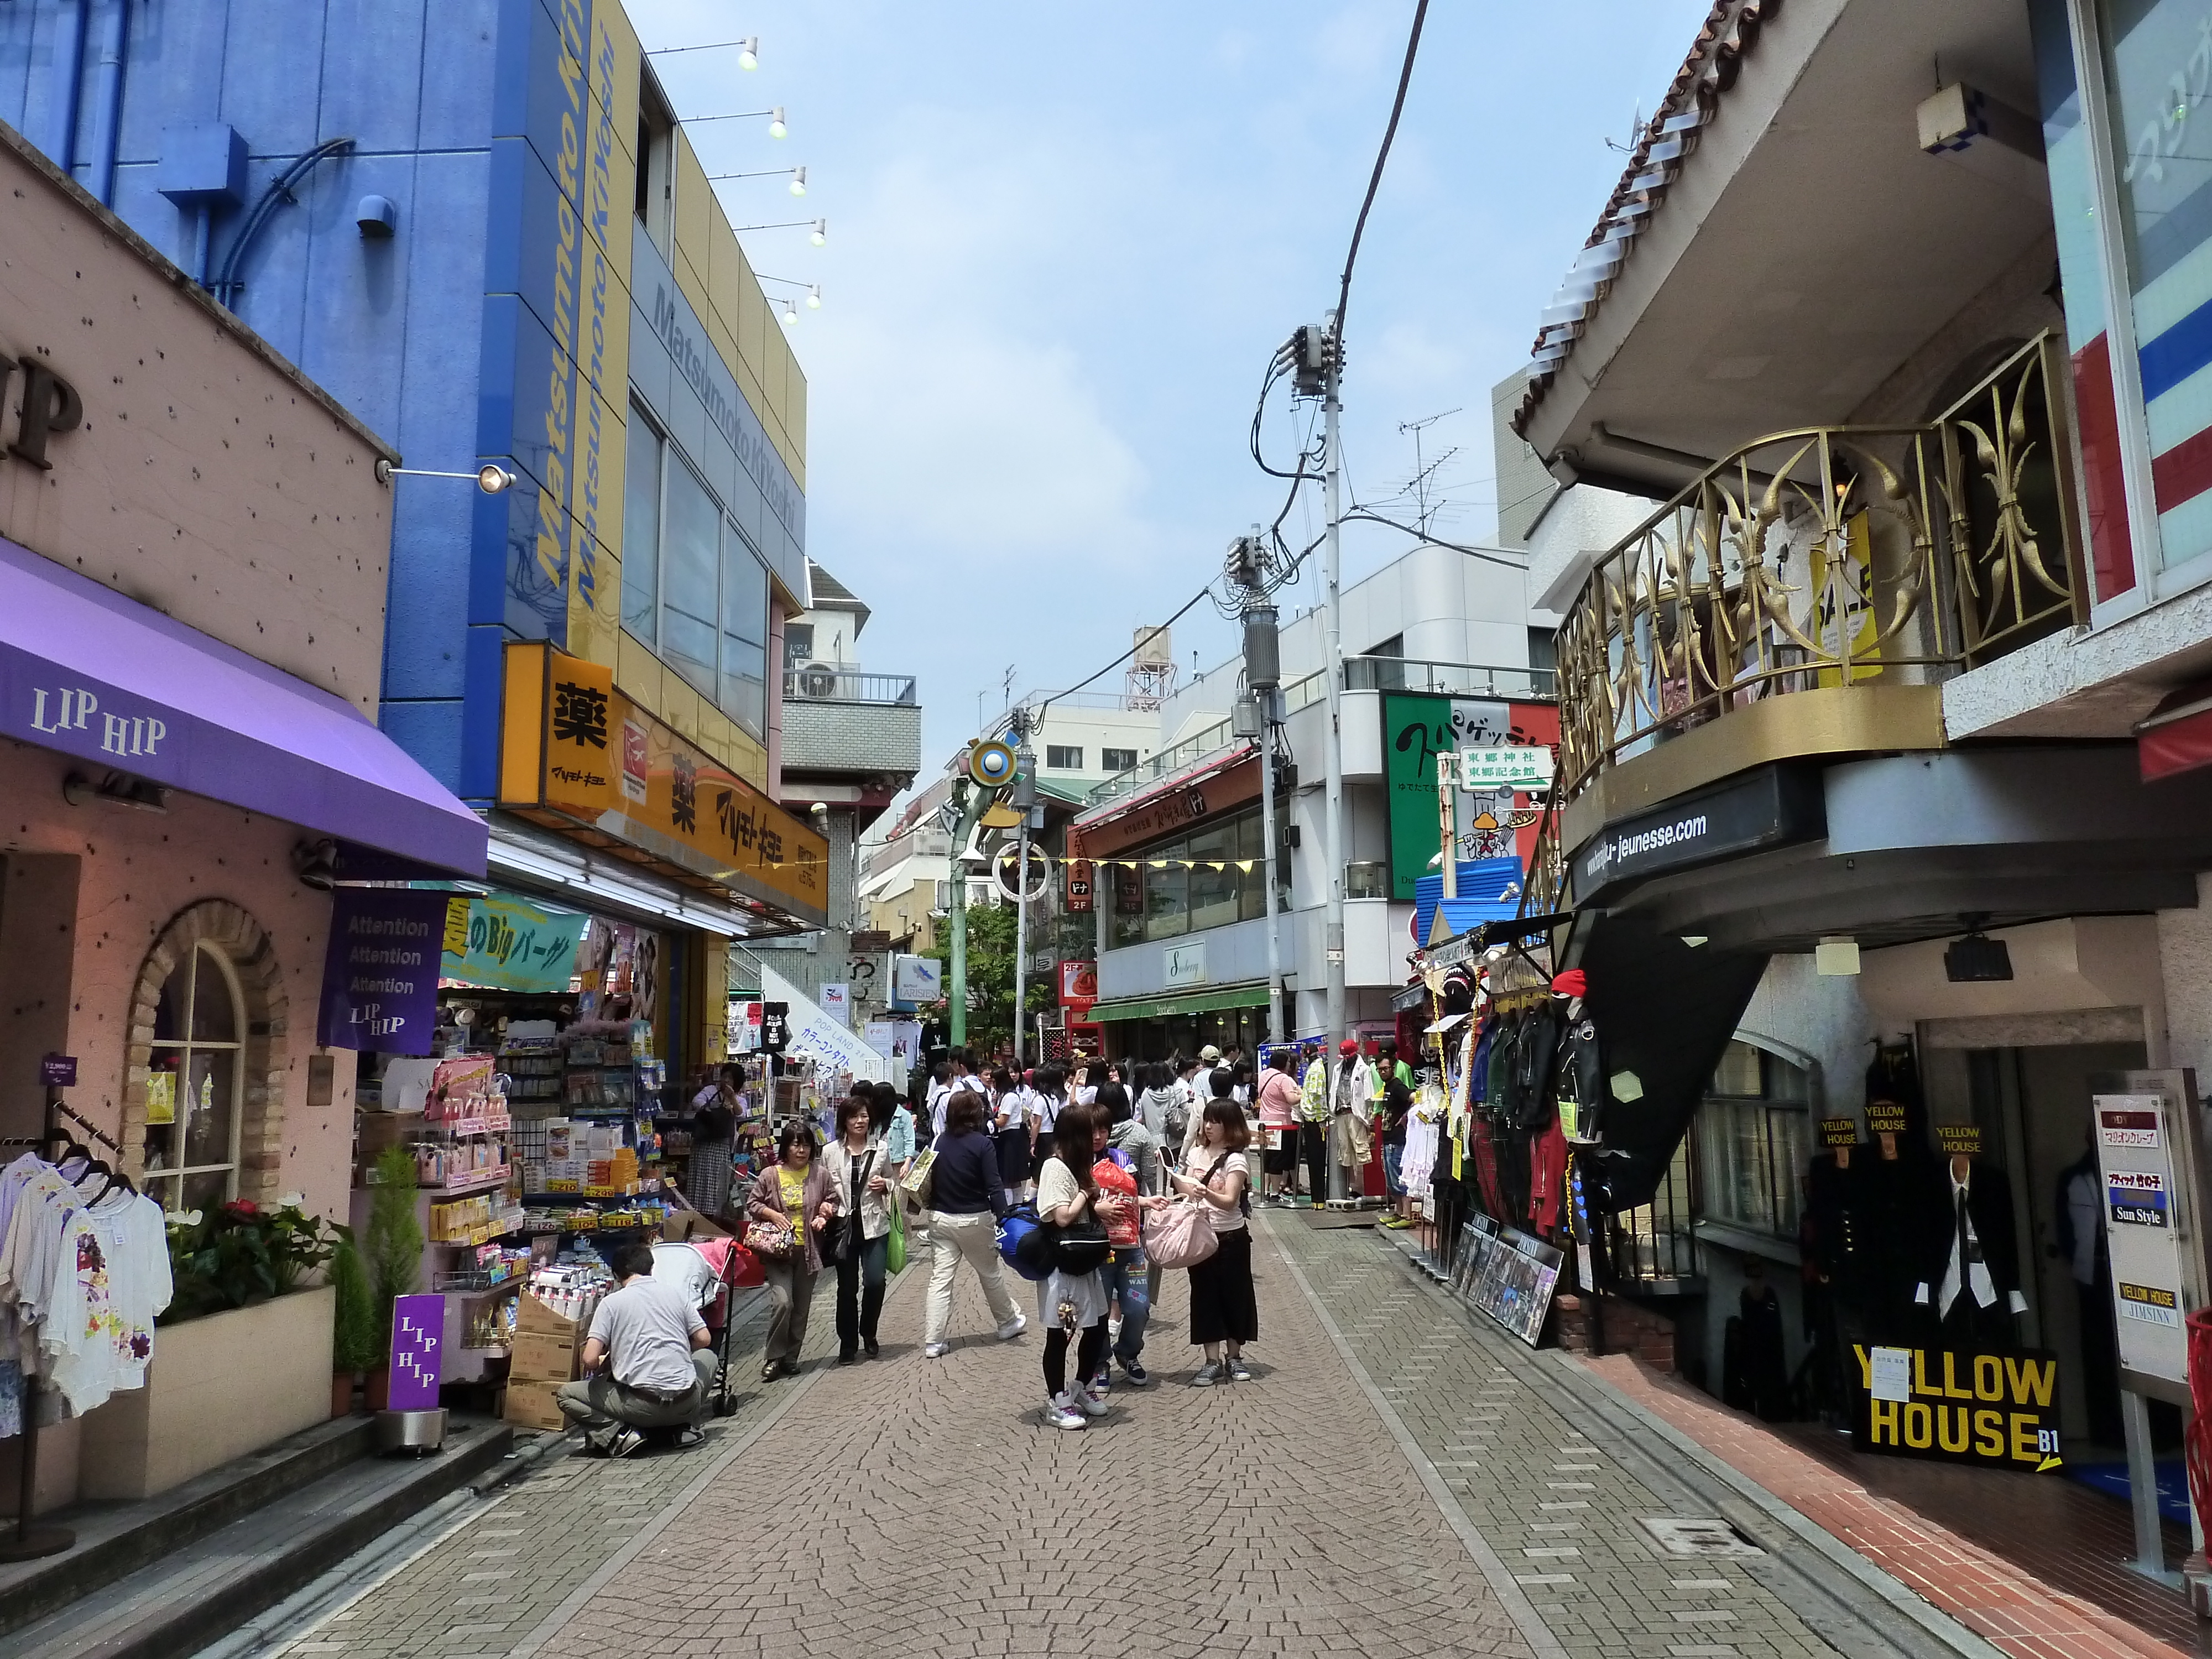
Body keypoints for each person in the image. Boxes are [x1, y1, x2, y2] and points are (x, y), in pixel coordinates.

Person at [557, 1240, 717, 1456]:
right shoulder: (675, 1294)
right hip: (686, 1402)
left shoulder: (611, 1304)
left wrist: (613, 1359)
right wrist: (678, 1351)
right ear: (651, 1269)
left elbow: (590, 1359)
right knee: (707, 1357)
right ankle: (684, 1427)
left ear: (616, 1276)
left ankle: (619, 1435)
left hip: (641, 1408)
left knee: (566, 1394)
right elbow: (704, 1339)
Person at [1035, 1103, 1128, 1430]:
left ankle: (1082, 1387)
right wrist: (1086, 1194)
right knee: (1061, 1333)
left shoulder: (1077, 1164)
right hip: (1063, 1262)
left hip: (1084, 1260)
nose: (1097, 1139)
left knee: (1096, 1325)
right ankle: (1057, 1400)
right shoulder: (1055, 1167)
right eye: (1091, 1134)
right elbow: (1060, 1216)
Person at [922, 1089, 1027, 1357]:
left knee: (940, 1280)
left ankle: (933, 1342)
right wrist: (1005, 1217)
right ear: (975, 1114)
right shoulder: (982, 1144)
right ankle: (1007, 1322)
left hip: (940, 1218)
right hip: (974, 1219)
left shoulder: (938, 1141)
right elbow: (994, 1186)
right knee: (989, 1272)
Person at [1171, 1098, 1257, 1385]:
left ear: (1230, 1125)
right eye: (1206, 1120)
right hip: (1200, 1236)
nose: (1208, 1126)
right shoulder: (1196, 1155)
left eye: (1216, 1122)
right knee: (1204, 1296)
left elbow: (1231, 1201)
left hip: (1231, 1237)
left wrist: (1203, 1192)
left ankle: (1234, 1357)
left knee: (1236, 1296)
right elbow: (1182, 1186)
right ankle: (1212, 1360)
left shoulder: (1236, 1159)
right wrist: (1183, 1188)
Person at [745, 1121, 837, 1380]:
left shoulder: (820, 1174)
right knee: (783, 1303)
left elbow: (832, 1199)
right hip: (777, 1251)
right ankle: (773, 1357)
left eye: (806, 1144)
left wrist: (824, 1213)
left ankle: (791, 1358)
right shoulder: (770, 1175)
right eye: (796, 1144)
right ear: (786, 1147)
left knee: (801, 1309)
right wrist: (772, 1214)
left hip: (808, 1251)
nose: (801, 1150)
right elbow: (752, 1202)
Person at [1093, 1084, 1157, 1387]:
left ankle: (1128, 1353)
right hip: (1097, 1249)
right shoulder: (1076, 1163)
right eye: (1092, 1131)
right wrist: (1096, 1207)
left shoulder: (1120, 1158)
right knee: (1099, 1312)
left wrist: (1148, 1202)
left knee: (1138, 1307)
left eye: (1103, 1130)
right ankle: (1100, 1362)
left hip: (1129, 1247)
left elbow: (1130, 1192)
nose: (1098, 1137)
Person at [823, 1095, 894, 1364]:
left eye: (864, 1116)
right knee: (847, 1288)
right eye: (854, 1117)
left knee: (875, 1281)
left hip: (874, 1224)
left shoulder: (882, 1149)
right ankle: (848, 1343)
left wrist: (885, 1185)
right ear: (844, 1121)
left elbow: (892, 1179)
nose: (860, 1121)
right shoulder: (830, 1152)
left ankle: (869, 1332)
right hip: (844, 1227)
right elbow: (825, 1188)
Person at [1254, 1049, 1303, 1206]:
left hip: (1265, 1122)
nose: (1290, 1065)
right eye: (1289, 1062)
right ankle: (1276, 1193)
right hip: (1283, 1123)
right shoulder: (1284, 1079)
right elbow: (1292, 1100)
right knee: (1278, 1160)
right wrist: (1303, 1094)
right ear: (1284, 1063)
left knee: (1267, 1159)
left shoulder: (1264, 1075)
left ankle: (1267, 1192)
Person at [990, 1066, 1031, 1207]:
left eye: (995, 1082)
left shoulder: (1010, 1097)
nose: (993, 1085)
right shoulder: (1006, 1096)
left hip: (1011, 1138)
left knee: (1008, 1177)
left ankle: (1011, 1208)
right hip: (1011, 1138)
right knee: (1012, 1177)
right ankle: (1016, 1207)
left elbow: (1002, 1121)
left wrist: (988, 1120)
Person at [1378, 1073, 1415, 1226]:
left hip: (1398, 1140)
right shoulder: (1387, 1087)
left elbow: (1414, 1097)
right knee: (1392, 1180)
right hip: (1389, 1138)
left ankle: (1407, 1216)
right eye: (1379, 1069)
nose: (1382, 1072)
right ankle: (1399, 1212)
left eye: (1386, 1068)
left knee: (1401, 1178)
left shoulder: (1398, 1086)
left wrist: (1406, 1117)